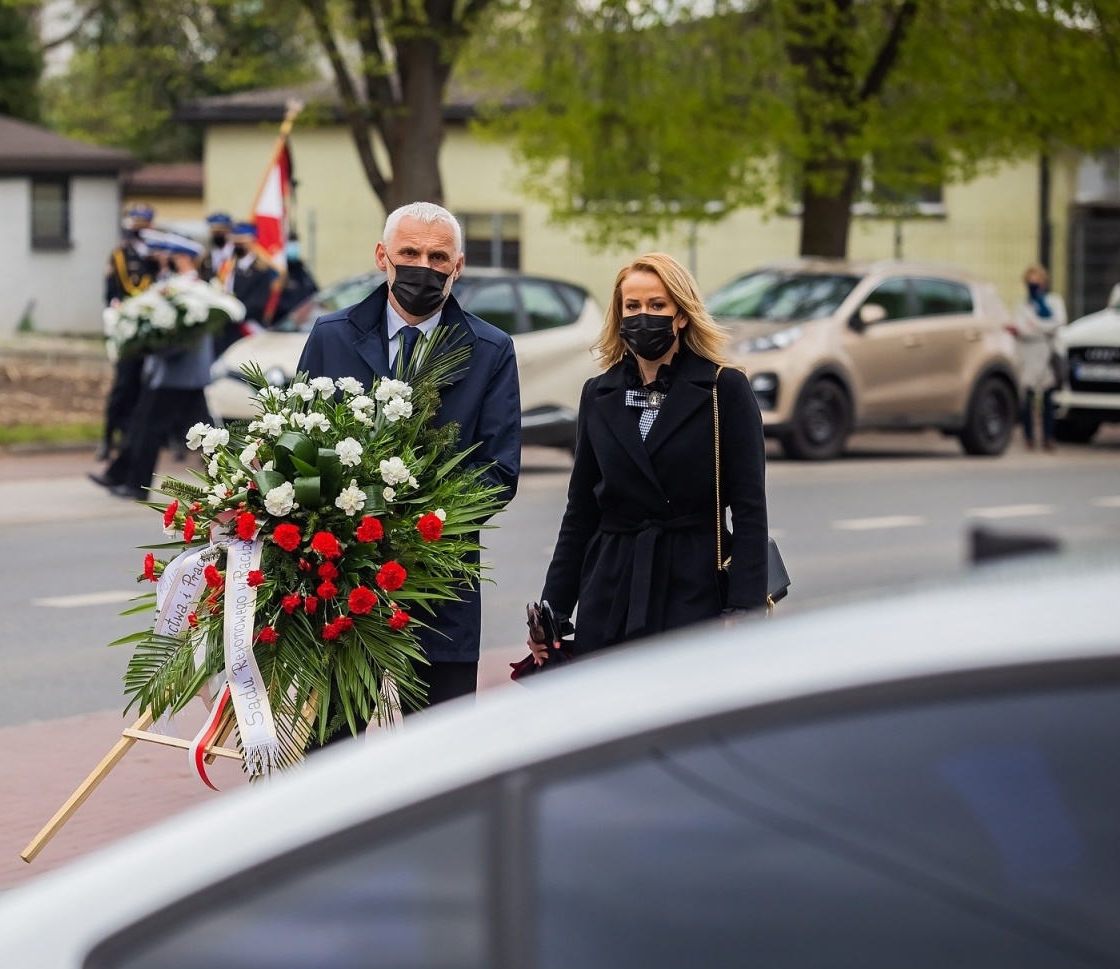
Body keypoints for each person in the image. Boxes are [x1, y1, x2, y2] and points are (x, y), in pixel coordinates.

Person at [299, 201, 522, 718]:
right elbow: (300, 443)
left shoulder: (489, 350)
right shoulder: (332, 335)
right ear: (383, 256)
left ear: (457, 266)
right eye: (410, 253)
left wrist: (412, 524)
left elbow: (498, 472)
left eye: (438, 257)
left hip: (438, 582)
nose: (424, 266)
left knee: (438, 747)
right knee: (335, 744)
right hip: (340, 577)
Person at [527, 252, 768, 666]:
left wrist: (745, 606)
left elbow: (749, 510)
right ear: (619, 315)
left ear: (681, 315)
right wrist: (554, 610)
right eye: (632, 306)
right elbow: (581, 512)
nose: (644, 316)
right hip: (610, 585)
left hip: (694, 584)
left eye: (657, 305)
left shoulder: (724, 389)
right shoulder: (597, 393)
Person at [92, 234, 214, 500]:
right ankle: (120, 475)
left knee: (153, 429)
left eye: (169, 256)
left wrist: (156, 347)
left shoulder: (193, 289)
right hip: (167, 372)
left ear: (184, 258)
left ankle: (135, 484)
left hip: (179, 373)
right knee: (147, 425)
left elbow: (186, 333)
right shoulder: (175, 285)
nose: (162, 260)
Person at [98, 205, 160, 463]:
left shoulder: (157, 256)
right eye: (137, 225)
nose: (140, 230)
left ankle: (134, 438)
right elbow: (112, 291)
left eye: (145, 225)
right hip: (128, 331)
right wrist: (115, 305)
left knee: (146, 388)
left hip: (152, 331)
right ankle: (108, 438)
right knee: (123, 386)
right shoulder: (120, 255)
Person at [1015, 263, 1066, 451]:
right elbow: (1022, 330)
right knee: (1027, 399)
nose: (1034, 285)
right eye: (1031, 281)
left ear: (1044, 282)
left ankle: (1048, 437)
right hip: (1029, 357)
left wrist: (1035, 325)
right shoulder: (1022, 306)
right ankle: (1029, 437)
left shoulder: (1054, 301)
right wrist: (1044, 328)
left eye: (1037, 281)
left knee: (1048, 398)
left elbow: (1058, 322)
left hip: (1047, 356)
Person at [216, 221, 277, 352]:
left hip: (247, 327)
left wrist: (234, 311)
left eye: (242, 242)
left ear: (252, 242)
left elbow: (258, 300)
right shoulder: (227, 267)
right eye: (236, 241)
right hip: (226, 329)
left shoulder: (261, 269)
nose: (238, 245)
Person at [272, 232, 318, 324]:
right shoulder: (278, 270)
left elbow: (316, 293)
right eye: (290, 242)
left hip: (306, 322)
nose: (294, 246)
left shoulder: (301, 268)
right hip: (283, 324)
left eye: (295, 242)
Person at [202, 212, 233, 281]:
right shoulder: (207, 256)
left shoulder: (234, 254)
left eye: (220, 231)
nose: (218, 234)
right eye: (215, 231)